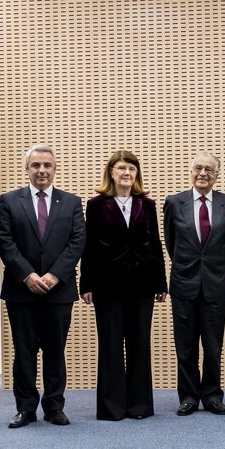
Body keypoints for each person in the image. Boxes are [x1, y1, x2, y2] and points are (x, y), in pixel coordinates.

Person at [0, 144, 86, 428]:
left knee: (55, 351)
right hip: (21, 290)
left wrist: (55, 275)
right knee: (24, 352)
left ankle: (54, 407)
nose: (42, 170)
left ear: (55, 169)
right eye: (36, 165)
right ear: (27, 169)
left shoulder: (71, 202)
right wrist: (28, 275)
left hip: (59, 291)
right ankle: (25, 408)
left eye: (47, 165)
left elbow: (77, 241)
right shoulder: (10, 201)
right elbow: (4, 241)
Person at [79, 150, 167, 421]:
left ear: (136, 174)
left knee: (139, 343)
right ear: (111, 173)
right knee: (111, 344)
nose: (126, 173)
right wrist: (86, 284)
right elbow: (89, 246)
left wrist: (161, 282)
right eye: (121, 168)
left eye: (131, 169)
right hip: (107, 285)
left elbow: (155, 244)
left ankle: (139, 406)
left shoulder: (147, 204)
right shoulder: (96, 204)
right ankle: (112, 407)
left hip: (142, 285)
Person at [163, 152, 225, 416]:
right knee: (185, 346)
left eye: (209, 169)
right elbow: (171, 242)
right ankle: (189, 396)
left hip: (215, 285)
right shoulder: (174, 202)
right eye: (198, 168)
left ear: (217, 175)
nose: (203, 173)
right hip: (184, 283)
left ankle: (212, 395)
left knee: (213, 346)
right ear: (191, 171)